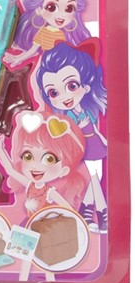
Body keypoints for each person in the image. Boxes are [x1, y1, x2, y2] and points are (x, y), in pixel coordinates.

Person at [36, 39, 108, 232]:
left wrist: (104, 141)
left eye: (72, 86)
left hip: (96, 146)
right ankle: (102, 213)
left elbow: (95, 129)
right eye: (53, 92)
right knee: (95, 178)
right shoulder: (65, 118)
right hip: (82, 150)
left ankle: (85, 212)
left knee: (97, 176)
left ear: (86, 85)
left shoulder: (87, 109)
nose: (64, 96)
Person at [0, 110, 88, 217]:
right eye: (28, 156)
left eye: (49, 159)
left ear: (64, 170)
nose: (35, 165)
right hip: (31, 221)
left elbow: (69, 209)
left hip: (44, 223)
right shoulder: (30, 185)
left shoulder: (49, 192)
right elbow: (10, 170)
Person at [3, 0, 90, 68]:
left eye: (69, 8)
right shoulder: (43, 32)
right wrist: (18, 59)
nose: (61, 14)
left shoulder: (62, 35)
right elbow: (33, 50)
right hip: (47, 66)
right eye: (51, 7)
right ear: (38, 9)